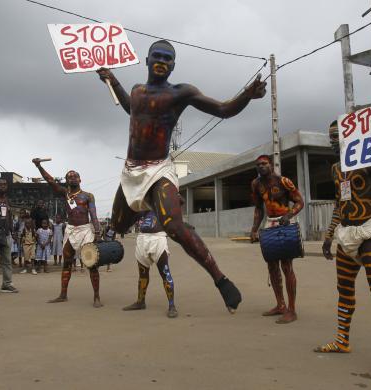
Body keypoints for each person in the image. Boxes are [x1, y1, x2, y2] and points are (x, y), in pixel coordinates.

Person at [96, 40, 267, 312]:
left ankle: (220, 280)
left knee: (174, 227)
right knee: (116, 226)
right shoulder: (136, 91)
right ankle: (148, 210)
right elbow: (133, 110)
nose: (162, 61)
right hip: (131, 170)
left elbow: (223, 110)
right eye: (157, 56)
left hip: (159, 168)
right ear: (147, 60)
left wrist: (247, 95)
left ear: (173, 65)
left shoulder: (181, 93)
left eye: (168, 58)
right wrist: (112, 80)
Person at [315, 120, 371, 382]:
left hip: (368, 233)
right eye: (331, 140)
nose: (334, 144)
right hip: (345, 234)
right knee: (345, 292)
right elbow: (340, 203)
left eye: (338, 138)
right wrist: (329, 235)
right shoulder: (336, 168)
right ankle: (342, 341)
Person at [32, 160, 102, 308]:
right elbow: (50, 181)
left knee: (92, 264)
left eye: (75, 176)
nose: (72, 178)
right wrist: (39, 166)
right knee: (67, 263)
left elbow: (93, 215)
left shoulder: (88, 196)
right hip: (70, 230)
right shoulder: (65, 193)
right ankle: (63, 294)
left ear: (80, 179)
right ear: (67, 180)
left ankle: (97, 296)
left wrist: (97, 231)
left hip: (85, 231)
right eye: (69, 177)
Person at [250, 155, 304, 324]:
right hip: (269, 223)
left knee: (286, 266)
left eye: (264, 164)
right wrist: (254, 229)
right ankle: (280, 305)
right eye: (258, 165)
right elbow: (259, 208)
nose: (261, 167)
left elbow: (299, 202)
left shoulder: (284, 181)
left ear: (271, 165)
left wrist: (288, 215)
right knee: (272, 266)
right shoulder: (256, 184)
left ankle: (292, 309)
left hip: (285, 223)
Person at [123, 210, 177, 318]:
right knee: (142, 274)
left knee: (165, 273)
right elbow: (131, 217)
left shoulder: (163, 201)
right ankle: (140, 302)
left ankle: (172, 306)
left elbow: (179, 201)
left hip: (158, 238)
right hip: (142, 239)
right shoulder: (143, 206)